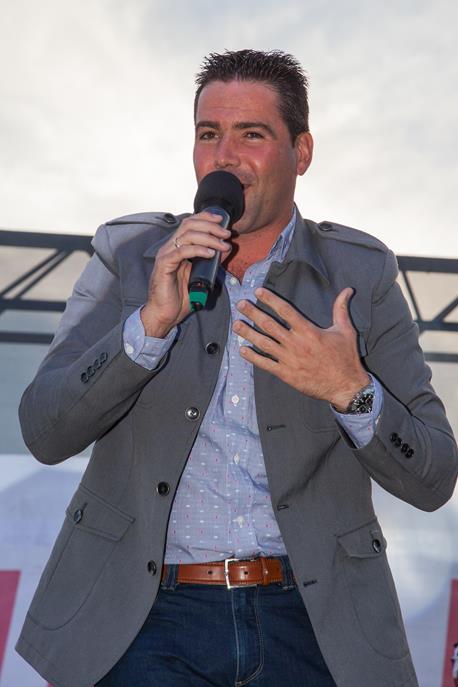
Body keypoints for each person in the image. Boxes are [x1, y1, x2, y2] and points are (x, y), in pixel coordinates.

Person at [16, 49, 457, 687]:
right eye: (208, 134)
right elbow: (44, 430)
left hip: (313, 621)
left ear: (301, 152)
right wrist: (147, 328)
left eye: (251, 135)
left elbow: (434, 476)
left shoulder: (360, 275)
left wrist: (350, 389)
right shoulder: (130, 256)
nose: (224, 157)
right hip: (142, 621)